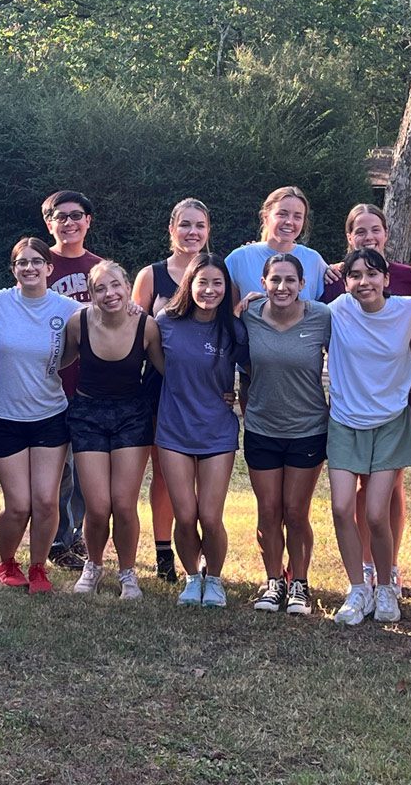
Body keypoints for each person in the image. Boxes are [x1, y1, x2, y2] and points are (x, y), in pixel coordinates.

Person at [320, 202, 411, 596]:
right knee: (345, 506)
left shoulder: (410, 300)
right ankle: (359, 583)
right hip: (346, 416)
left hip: (393, 414)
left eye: (374, 229)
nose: (364, 281)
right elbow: (294, 308)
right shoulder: (334, 304)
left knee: (382, 505)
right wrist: (255, 299)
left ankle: (386, 575)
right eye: (355, 274)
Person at [0, 236, 83, 594]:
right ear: (14, 270)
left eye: (37, 261)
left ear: (49, 268)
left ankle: (38, 567)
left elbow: (96, 325)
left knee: (46, 500)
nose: (30, 268)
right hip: (3, 417)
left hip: (51, 415)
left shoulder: (67, 308)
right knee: (19, 505)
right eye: (22, 262)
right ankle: (6, 563)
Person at [62, 262, 164, 600]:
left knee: (123, 503)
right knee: (97, 504)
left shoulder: (146, 326)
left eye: (116, 285)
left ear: (127, 286)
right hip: (87, 413)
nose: (110, 294)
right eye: (101, 288)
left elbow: (169, 370)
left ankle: (128, 573)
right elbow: (57, 362)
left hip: (132, 415)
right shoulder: (78, 323)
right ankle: (93, 565)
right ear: (91, 295)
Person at [240, 254, 331, 616]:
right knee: (268, 510)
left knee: (295, 511)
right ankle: (273, 581)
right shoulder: (247, 315)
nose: (282, 287)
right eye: (275, 280)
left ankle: (300, 585)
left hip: (308, 429)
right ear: (262, 284)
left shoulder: (321, 316)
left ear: (302, 283)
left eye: (290, 280)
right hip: (261, 427)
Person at [156, 253, 248, 608]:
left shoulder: (234, 329)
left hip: (217, 431)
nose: (209, 290)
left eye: (217, 283)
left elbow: (256, 367)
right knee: (185, 514)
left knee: (210, 516)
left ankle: (215, 580)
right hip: (174, 429)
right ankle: (192, 577)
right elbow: (155, 361)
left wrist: (239, 396)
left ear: (227, 288)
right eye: (202, 282)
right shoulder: (165, 322)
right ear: (189, 284)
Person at [133, 197, 211, 582]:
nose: (192, 232)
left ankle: (201, 554)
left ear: (208, 231)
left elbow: (228, 330)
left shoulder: (217, 272)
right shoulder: (152, 275)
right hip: (160, 387)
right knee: (164, 474)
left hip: (204, 390)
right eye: (185, 225)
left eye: (199, 225)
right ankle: (165, 554)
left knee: (203, 475)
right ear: (171, 230)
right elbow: (132, 333)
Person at [42, 190, 103, 571]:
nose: (68, 222)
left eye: (76, 215)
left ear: (88, 221)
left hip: (91, 384)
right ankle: (57, 538)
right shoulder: (38, 263)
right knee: (57, 469)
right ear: (48, 222)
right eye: (59, 216)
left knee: (85, 469)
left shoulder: (100, 267)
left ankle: (74, 536)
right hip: (47, 383)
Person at [225, 186, 328, 301]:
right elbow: (227, 312)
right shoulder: (239, 259)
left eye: (297, 217)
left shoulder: (314, 260)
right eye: (282, 214)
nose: (289, 222)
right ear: (266, 217)